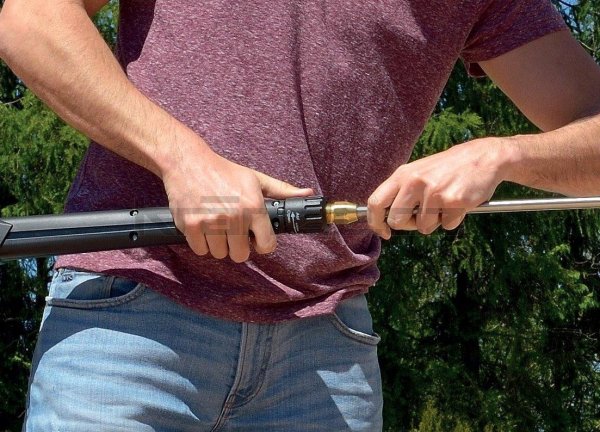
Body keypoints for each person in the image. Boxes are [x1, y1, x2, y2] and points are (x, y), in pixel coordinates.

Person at [1, 0, 600, 430]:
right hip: (131, 318)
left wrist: (501, 154)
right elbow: (29, 16)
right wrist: (181, 157)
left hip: (326, 352)